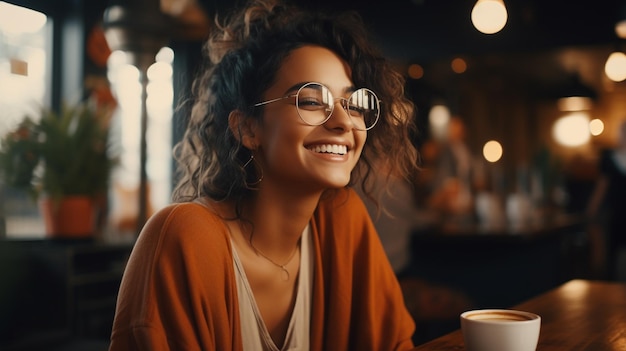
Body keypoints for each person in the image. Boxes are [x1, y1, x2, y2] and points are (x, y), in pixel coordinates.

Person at [108, 0, 419, 350]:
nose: (344, 122)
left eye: (352, 103)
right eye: (312, 100)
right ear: (247, 128)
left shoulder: (341, 221)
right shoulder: (186, 238)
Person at [587, 120, 626, 281]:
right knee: (612, 254)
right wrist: (591, 210)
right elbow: (601, 187)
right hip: (615, 213)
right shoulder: (609, 158)